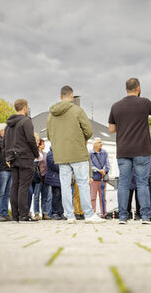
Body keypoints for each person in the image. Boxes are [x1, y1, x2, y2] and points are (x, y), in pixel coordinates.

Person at [47, 85, 104, 224]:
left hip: (61, 154)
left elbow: (49, 135)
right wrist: (81, 139)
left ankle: (69, 215)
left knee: (65, 184)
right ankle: (89, 214)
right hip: (77, 151)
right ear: (72, 96)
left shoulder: (52, 114)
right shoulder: (77, 110)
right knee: (83, 183)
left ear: (61, 97)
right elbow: (89, 130)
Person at [108, 77, 151, 224]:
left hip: (123, 149)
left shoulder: (116, 106)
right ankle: (146, 217)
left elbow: (111, 129)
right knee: (142, 182)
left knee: (123, 182)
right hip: (142, 149)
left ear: (126, 89)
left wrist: (123, 125)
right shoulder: (145, 103)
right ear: (138, 88)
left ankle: (123, 217)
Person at [3, 99, 40, 222]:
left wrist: (7, 157)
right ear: (25, 108)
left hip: (13, 158)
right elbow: (30, 139)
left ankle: (15, 215)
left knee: (15, 186)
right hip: (25, 156)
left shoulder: (8, 125)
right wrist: (36, 153)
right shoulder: (26, 121)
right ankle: (24, 214)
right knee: (24, 186)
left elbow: (5, 142)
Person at [0, 123, 12, 222]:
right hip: (1, 169)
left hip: (8, 169)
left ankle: (5, 212)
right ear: (1, 131)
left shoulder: (4, 140)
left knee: (7, 193)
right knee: (0, 192)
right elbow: (7, 147)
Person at [90, 137, 110, 217]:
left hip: (102, 179)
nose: (101, 144)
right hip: (94, 179)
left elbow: (107, 163)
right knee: (93, 197)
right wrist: (98, 170)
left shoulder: (105, 152)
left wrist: (104, 170)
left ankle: (104, 213)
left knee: (103, 197)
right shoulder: (90, 153)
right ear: (94, 144)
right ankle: (92, 213)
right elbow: (90, 165)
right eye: (99, 142)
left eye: (101, 142)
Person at [33, 139, 52, 220]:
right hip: (38, 177)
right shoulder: (36, 154)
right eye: (42, 144)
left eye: (44, 144)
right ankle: (36, 213)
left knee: (45, 196)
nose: (44, 145)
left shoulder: (46, 154)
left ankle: (45, 213)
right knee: (36, 196)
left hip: (45, 177)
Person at [45, 147, 66, 220]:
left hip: (59, 178)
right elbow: (55, 165)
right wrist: (64, 168)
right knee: (56, 195)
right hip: (53, 178)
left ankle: (61, 212)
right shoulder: (50, 154)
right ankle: (55, 213)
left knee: (60, 196)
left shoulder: (59, 153)